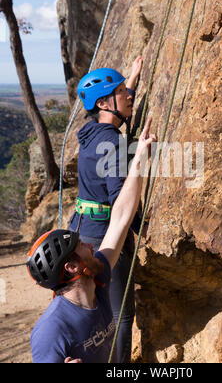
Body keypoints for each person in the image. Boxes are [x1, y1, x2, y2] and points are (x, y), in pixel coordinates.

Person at [27, 118, 156, 363]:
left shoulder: (98, 276)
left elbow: (120, 218)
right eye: (81, 247)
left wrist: (138, 157)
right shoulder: (51, 331)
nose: (90, 245)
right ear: (72, 267)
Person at [67, 57, 144, 363]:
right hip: (104, 238)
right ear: (103, 101)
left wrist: (132, 79)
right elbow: (119, 197)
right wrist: (139, 225)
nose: (128, 95)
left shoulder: (90, 133)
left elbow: (114, 110)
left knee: (96, 310)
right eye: (122, 90)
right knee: (120, 317)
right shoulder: (111, 143)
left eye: (127, 89)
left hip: (83, 230)